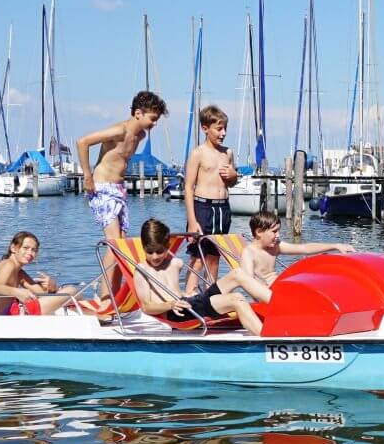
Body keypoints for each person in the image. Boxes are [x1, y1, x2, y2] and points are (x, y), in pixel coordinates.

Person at [129, 219, 263, 335]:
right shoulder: (142, 270)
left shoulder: (174, 263)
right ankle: (266, 338)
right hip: (178, 313)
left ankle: (277, 304)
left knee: (237, 273)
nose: (154, 256)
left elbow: (173, 285)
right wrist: (171, 304)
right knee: (236, 298)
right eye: (149, 252)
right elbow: (146, 307)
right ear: (143, 248)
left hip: (190, 303)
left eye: (159, 251)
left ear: (167, 247)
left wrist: (185, 293)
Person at [77, 90, 168, 244]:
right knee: (115, 242)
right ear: (138, 113)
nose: (155, 123)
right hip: (103, 187)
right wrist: (87, 177)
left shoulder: (140, 136)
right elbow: (82, 142)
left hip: (119, 188)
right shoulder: (120, 131)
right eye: (153, 119)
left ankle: (116, 269)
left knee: (123, 242)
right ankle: (105, 269)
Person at [230, 211, 351, 303]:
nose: (278, 235)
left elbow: (304, 248)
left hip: (281, 289)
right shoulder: (249, 253)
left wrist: (335, 245)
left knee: (319, 267)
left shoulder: (274, 247)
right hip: (269, 298)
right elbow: (248, 283)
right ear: (259, 232)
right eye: (274, 231)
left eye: (278, 231)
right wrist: (271, 296)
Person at [0, 231, 81, 315]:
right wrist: (17, 292)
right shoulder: (8, 264)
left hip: (2, 315)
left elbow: (41, 293)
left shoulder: (19, 273)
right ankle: (91, 315)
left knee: (68, 295)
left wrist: (53, 287)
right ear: (13, 248)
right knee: (71, 290)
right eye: (26, 248)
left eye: (34, 250)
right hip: (9, 315)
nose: (30, 253)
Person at [182, 104, 241, 235]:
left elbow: (231, 183)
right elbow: (188, 187)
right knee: (200, 252)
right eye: (219, 129)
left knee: (216, 252)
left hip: (224, 208)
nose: (223, 133)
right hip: (203, 208)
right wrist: (192, 221)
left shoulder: (228, 153)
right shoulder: (198, 153)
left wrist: (234, 176)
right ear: (205, 129)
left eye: (225, 128)